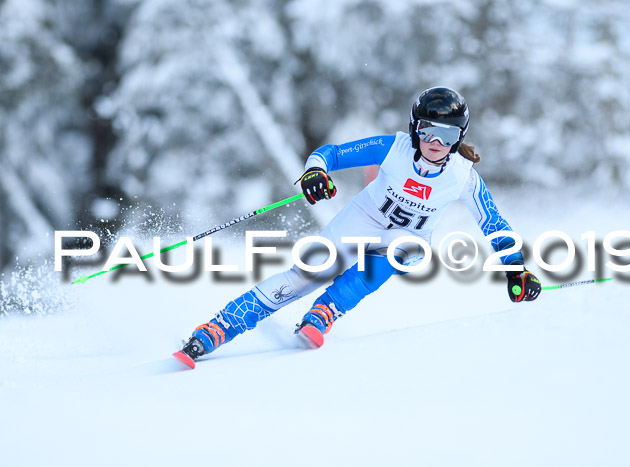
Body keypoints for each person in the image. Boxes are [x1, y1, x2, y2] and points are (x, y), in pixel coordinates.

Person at [175, 86, 541, 365]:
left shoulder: (463, 177)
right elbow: (330, 154)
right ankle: (217, 329)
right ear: (415, 128)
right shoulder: (393, 148)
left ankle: (325, 311)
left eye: (447, 136)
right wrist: (315, 173)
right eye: (429, 131)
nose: (435, 143)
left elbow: (494, 224)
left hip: (409, 237)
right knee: (306, 274)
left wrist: (515, 270)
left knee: (394, 255)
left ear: (459, 137)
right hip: (364, 217)